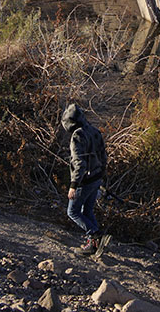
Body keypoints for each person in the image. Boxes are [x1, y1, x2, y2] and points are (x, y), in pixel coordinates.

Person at [61, 102, 107, 255]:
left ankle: (95, 235)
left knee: (72, 211)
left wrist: (73, 185)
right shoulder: (94, 131)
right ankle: (94, 244)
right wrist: (102, 176)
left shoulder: (77, 136)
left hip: (85, 181)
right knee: (87, 210)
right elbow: (103, 156)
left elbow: (79, 163)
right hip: (96, 178)